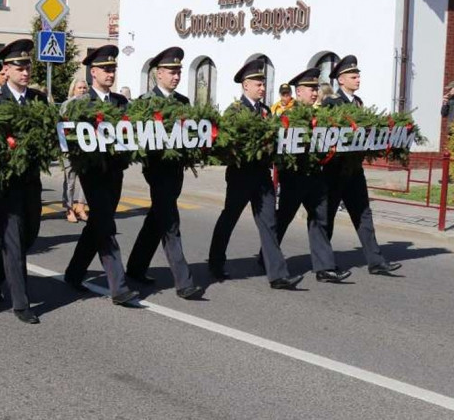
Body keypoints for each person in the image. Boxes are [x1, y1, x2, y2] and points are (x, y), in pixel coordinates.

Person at [207, 57, 304, 290]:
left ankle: (277, 274)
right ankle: (215, 262)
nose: (262, 88)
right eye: (257, 84)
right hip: (240, 176)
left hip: (262, 176)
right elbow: (227, 144)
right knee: (229, 218)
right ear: (245, 86)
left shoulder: (265, 111)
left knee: (269, 223)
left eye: (263, 83)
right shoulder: (235, 111)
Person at [63, 46, 139, 306]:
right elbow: (69, 142)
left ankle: (74, 273)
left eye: (113, 69)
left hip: (115, 171)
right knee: (106, 225)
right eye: (105, 69)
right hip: (92, 173)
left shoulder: (121, 102)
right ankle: (118, 287)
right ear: (92, 72)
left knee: (97, 223)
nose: (110, 73)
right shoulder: (81, 104)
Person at [126, 47, 203, 299]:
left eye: (178, 71)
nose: (176, 76)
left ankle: (136, 268)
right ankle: (184, 281)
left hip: (177, 169)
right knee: (170, 220)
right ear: (158, 74)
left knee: (156, 218)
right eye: (171, 71)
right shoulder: (145, 103)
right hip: (157, 170)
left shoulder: (183, 102)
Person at [0, 39, 47, 324]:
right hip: (4, 183)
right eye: (19, 66)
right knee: (13, 240)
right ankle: (21, 302)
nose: (25, 71)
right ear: (5, 70)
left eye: (28, 66)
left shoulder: (38, 100)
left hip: (30, 180)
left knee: (30, 235)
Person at [321, 55, 401, 275]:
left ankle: (376, 261)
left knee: (364, 214)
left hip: (354, 171)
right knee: (327, 217)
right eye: (353, 76)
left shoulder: (358, 103)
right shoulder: (331, 103)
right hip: (335, 171)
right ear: (341, 79)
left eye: (358, 76)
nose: (358, 80)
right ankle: (324, 262)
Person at [273, 67, 350, 283]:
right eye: (310, 89)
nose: (315, 93)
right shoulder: (288, 115)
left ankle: (325, 268)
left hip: (316, 176)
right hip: (294, 177)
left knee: (320, 219)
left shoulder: (320, 116)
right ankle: (267, 255)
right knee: (284, 218)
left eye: (316, 88)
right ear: (298, 92)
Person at [61, 78, 89, 223]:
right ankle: (69, 208)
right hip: (70, 147)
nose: (82, 90)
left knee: (85, 179)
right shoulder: (67, 105)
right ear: (73, 89)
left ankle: (81, 206)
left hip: (86, 147)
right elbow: (61, 126)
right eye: (80, 88)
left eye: (84, 88)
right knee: (70, 180)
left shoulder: (89, 105)